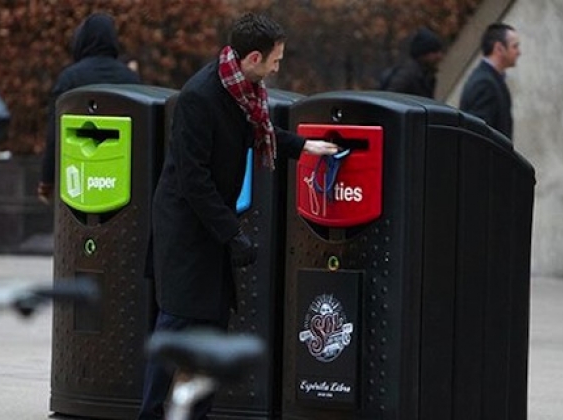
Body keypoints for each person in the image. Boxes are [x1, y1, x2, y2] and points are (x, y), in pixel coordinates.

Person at [137, 13, 339, 420]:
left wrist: (304, 147)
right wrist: (233, 234)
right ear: (252, 58)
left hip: (210, 226)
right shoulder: (201, 96)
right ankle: (151, 413)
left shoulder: (241, 90)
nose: (278, 68)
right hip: (186, 230)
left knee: (212, 324)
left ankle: (197, 412)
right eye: (275, 61)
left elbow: (253, 135)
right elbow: (193, 179)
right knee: (176, 322)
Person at [37, 12, 141, 203]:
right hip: (119, 177)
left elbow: (55, 133)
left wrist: (47, 180)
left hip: (78, 173)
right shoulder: (129, 78)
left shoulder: (70, 79)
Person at [459, 23, 521, 139]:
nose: (519, 52)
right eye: (515, 46)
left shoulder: (490, 79)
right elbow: (479, 136)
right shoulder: (485, 84)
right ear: (499, 48)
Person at [379, 27, 444, 98]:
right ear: (422, 54)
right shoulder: (407, 75)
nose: (439, 56)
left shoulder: (427, 76)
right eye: (434, 52)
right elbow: (390, 98)